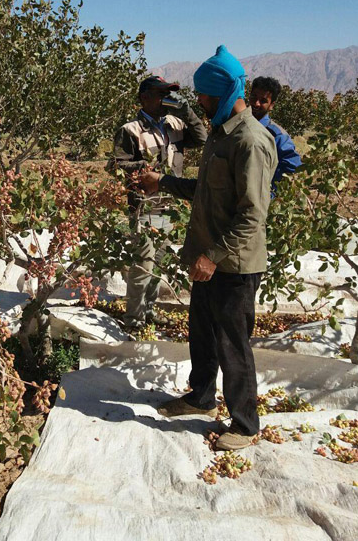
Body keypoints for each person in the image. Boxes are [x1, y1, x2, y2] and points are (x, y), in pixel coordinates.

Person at [139, 46, 277, 451]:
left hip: (231, 264)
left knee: (233, 343)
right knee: (201, 333)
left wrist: (212, 256)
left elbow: (252, 214)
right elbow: (204, 191)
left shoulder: (250, 141)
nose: (198, 103)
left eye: (204, 96)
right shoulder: (220, 135)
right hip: (208, 261)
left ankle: (245, 425)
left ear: (224, 92)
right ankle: (201, 396)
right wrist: (161, 182)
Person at [110, 76, 207, 332]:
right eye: (160, 94)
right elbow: (115, 166)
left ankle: (149, 311)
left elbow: (202, 138)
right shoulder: (130, 130)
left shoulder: (175, 124)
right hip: (144, 206)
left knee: (160, 263)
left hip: (169, 207)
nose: (166, 99)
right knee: (144, 264)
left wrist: (188, 112)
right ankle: (134, 320)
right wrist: (143, 167)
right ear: (144, 98)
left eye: (169, 94)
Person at [248, 76, 302, 187]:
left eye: (263, 101)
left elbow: (293, 167)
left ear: (271, 105)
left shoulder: (277, 135)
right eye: (254, 97)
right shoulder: (239, 126)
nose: (256, 103)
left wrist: (270, 190)